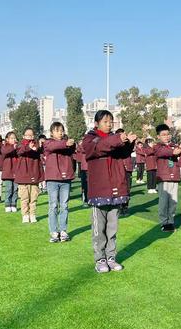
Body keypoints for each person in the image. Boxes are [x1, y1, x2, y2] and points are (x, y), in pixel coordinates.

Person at [82, 110, 136, 273]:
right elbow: (100, 147)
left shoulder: (114, 139)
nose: (109, 124)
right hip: (99, 190)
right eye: (105, 121)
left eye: (111, 121)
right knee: (99, 229)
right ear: (96, 123)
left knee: (112, 228)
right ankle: (100, 259)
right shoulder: (90, 139)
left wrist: (129, 143)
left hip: (115, 189)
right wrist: (118, 138)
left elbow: (124, 153)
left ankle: (111, 257)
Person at [43, 122, 76, 243]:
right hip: (52, 179)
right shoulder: (48, 143)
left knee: (64, 205)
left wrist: (71, 143)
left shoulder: (67, 144)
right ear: (52, 132)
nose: (60, 132)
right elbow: (53, 147)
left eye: (62, 130)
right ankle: (53, 231)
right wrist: (65, 143)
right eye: (57, 130)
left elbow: (73, 148)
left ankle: (63, 230)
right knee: (53, 206)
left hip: (65, 179)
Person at [154, 124, 181, 231]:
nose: (166, 136)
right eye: (163, 134)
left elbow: (180, 158)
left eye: (168, 134)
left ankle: (170, 221)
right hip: (163, 178)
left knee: (173, 201)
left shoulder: (174, 145)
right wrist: (173, 151)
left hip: (174, 176)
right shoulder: (157, 147)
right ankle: (164, 222)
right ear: (158, 136)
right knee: (163, 201)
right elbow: (162, 152)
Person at [15, 128, 44, 223]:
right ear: (23, 136)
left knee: (34, 198)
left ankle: (32, 214)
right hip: (23, 176)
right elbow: (19, 151)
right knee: (24, 198)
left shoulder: (36, 144)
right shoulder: (20, 145)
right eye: (28, 135)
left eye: (31, 135)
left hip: (34, 174)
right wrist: (28, 147)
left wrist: (39, 146)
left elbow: (40, 150)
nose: (30, 137)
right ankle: (25, 215)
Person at [1, 131, 19, 213]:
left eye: (14, 138)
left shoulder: (17, 147)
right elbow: (5, 152)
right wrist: (13, 147)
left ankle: (14, 204)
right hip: (8, 172)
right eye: (12, 138)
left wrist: (16, 148)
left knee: (15, 189)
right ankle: (7, 204)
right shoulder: (5, 146)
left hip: (16, 171)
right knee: (8, 189)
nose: (14, 139)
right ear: (7, 139)